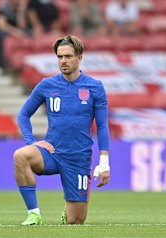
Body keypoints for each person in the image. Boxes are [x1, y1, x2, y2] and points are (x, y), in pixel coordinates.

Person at [13, 35, 110, 226]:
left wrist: (104, 161)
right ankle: (34, 214)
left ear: (79, 57)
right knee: (20, 156)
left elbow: (102, 126)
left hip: (78, 158)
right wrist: (31, 141)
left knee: (76, 221)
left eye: (67, 56)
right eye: (59, 57)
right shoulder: (47, 85)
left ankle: (69, 211)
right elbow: (23, 114)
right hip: (52, 152)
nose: (63, 61)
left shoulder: (95, 87)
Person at [0, 0, 29, 67]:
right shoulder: (3, 7)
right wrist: (14, 31)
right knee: (2, 34)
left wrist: (21, 11)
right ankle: (0, 61)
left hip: (14, 31)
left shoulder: (20, 9)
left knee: (28, 32)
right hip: (1, 30)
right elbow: (1, 25)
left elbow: (22, 26)